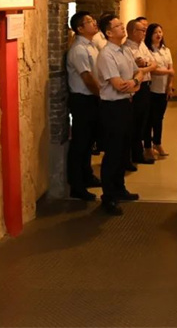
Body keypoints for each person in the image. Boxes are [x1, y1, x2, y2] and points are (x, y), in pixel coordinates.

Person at [96, 13, 143, 216]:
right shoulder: (107, 54)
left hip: (125, 105)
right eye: (117, 26)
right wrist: (134, 83)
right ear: (108, 32)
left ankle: (120, 188)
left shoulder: (124, 50)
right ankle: (108, 197)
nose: (122, 27)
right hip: (112, 108)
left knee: (124, 150)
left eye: (122, 24)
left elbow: (139, 72)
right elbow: (118, 85)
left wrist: (134, 82)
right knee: (113, 153)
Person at [65, 11, 101, 201]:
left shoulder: (92, 45)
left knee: (89, 142)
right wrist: (102, 95)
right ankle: (76, 185)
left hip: (92, 98)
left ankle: (87, 175)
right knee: (80, 142)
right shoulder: (79, 49)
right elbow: (87, 78)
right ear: (79, 28)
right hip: (83, 99)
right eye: (88, 21)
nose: (94, 23)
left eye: (93, 20)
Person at [125, 18, 157, 165]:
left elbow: (154, 64)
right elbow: (133, 70)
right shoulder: (127, 48)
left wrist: (145, 66)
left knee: (142, 122)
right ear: (133, 32)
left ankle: (138, 153)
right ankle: (129, 156)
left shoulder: (142, 45)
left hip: (146, 86)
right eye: (142, 30)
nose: (145, 33)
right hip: (135, 87)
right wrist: (144, 67)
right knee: (133, 122)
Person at [144, 23, 174, 158]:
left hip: (163, 89)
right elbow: (153, 70)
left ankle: (157, 142)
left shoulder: (166, 50)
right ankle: (148, 146)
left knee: (159, 118)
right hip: (151, 89)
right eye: (155, 32)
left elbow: (171, 69)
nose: (158, 35)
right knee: (150, 119)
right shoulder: (147, 50)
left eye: (160, 32)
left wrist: (169, 86)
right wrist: (168, 71)